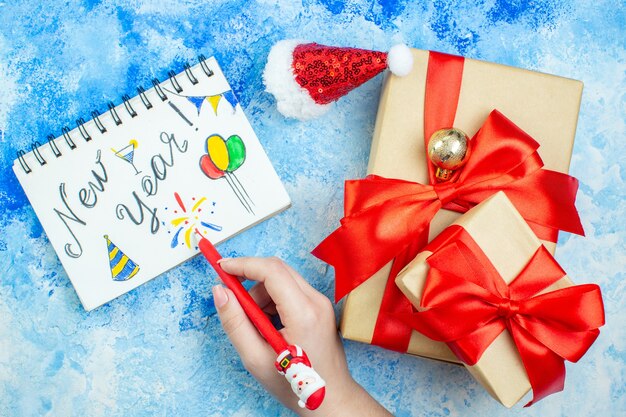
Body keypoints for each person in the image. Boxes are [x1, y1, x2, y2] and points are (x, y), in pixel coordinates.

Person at [212, 256, 394, 416]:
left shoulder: (293, 373)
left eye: (301, 387)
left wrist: (336, 402)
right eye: (306, 383)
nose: (301, 383)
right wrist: (339, 397)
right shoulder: (300, 362)